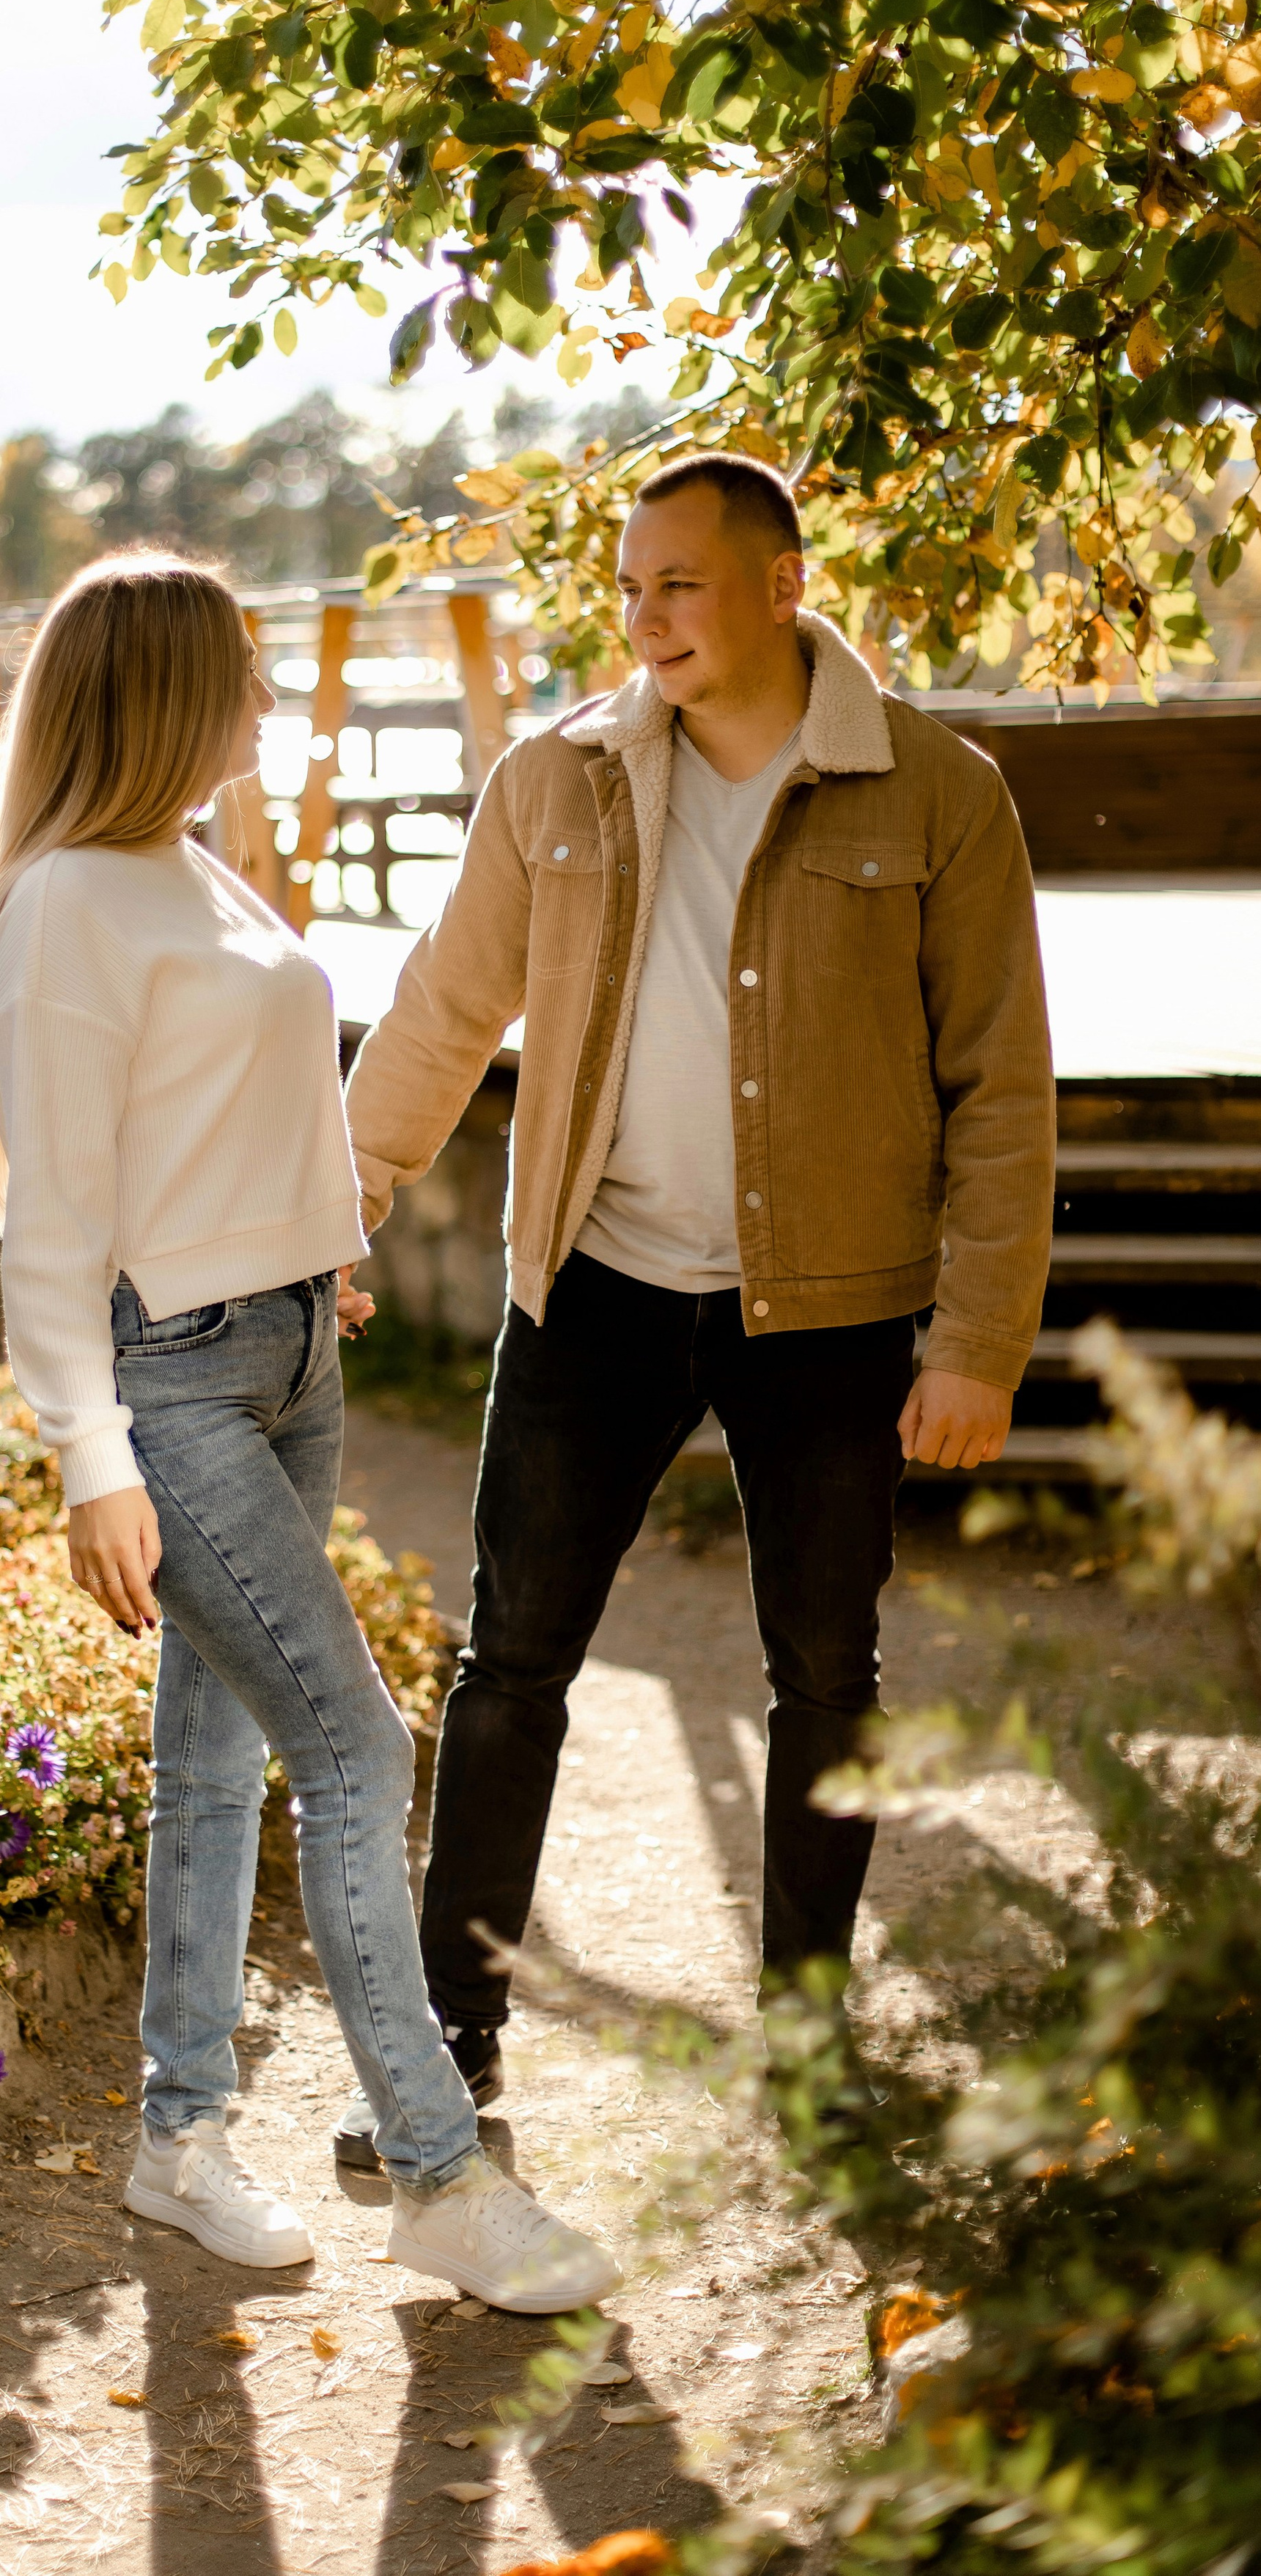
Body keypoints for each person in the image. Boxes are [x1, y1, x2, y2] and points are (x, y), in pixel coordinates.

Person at [332, 455, 1056, 2161]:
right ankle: (449, 2050)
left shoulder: (934, 793)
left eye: (677, 583)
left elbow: (1002, 1091)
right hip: (590, 1282)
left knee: (823, 1671)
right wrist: (331, 1205)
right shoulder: (553, 780)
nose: (640, 616)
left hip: (836, 1306)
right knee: (506, 1663)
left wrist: (973, 1342)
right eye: (627, 584)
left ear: (780, 584)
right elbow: (444, 1006)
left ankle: (805, 2058)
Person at [0, 548, 617, 2312]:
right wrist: (88, 1452)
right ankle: (436, 2172)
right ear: (163, 688)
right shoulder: (65, 907)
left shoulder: (189, 873)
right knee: (355, 1746)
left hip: (287, 1352)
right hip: (168, 1378)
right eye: (242, 674)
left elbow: (236, 1104)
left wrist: (315, 1245)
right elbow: (56, 1211)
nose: (268, 702)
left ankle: (177, 2141)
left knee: (219, 1758)